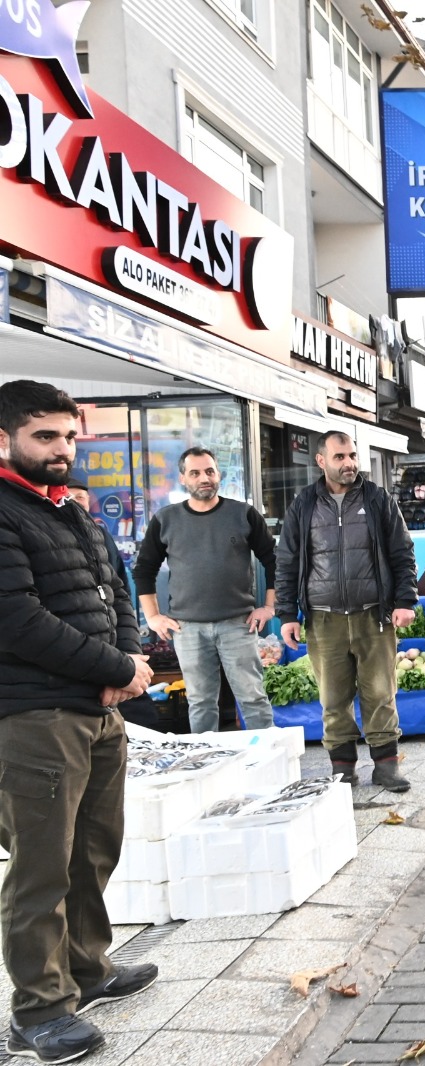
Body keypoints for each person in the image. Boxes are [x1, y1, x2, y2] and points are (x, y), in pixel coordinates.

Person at [0, 380, 159, 1065]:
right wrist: (115, 668)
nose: (61, 449)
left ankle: (87, 971)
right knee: (41, 868)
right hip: (33, 716)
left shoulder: (70, 513)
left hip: (96, 712)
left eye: (68, 436)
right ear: (5, 438)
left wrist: (130, 654)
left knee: (93, 852)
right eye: (44, 436)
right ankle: (38, 1011)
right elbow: (18, 620)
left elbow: (115, 591)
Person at [275, 432, 417, 791]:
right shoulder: (304, 504)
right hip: (323, 619)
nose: (349, 463)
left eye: (352, 455)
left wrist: (405, 601)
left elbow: (402, 552)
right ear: (321, 460)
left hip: (374, 615)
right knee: (332, 698)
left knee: (380, 692)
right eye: (340, 457)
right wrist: (287, 614)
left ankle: (386, 766)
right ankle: (343, 768)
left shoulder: (378, 499)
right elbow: (287, 561)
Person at [132, 448, 278, 734]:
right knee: (200, 703)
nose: (204, 478)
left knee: (253, 699)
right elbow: (144, 570)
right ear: (183, 478)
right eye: (196, 473)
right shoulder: (166, 519)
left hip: (238, 625)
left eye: (210, 471)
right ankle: (207, 764)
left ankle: (269, 763)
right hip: (188, 629)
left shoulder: (243, 514)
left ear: (218, 475)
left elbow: (274, 561)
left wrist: (269, 606)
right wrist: (153, 617)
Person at [65, 479, 127, 600]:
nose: (74, 502)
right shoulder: (53, 536)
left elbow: (119, 575)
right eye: (68, 498)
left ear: (88, 500)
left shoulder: (102, 534)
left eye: (80, 497)